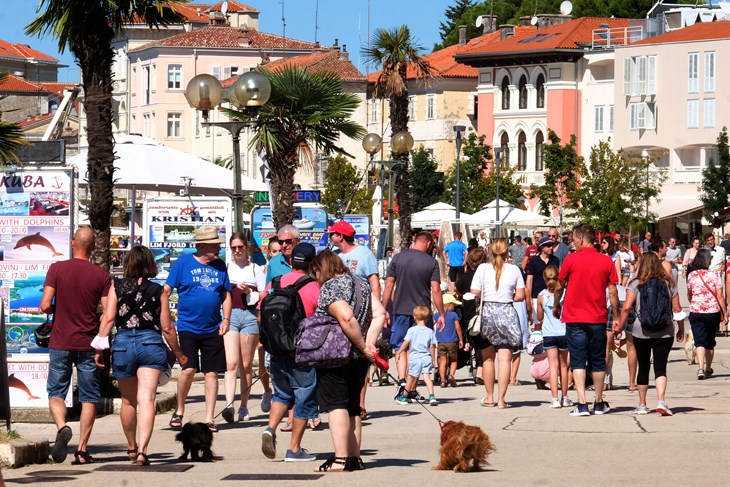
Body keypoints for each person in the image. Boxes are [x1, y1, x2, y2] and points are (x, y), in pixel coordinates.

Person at [94, 246, 187, 466]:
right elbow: (167, 328)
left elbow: (107, 319)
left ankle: (131, 447)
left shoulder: (116, 287)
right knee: (146, 400)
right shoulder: (159, 291)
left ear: (128, 264)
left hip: (124, 343)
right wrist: (179, 354)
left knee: (128, 401)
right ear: (150, 265)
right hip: (150, 343)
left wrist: (99, 347)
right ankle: (144, 450)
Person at [40, 227, 112, 464]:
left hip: (60, 341)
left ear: (73, 243)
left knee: (56, 392)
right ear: (93, 248)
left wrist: (56, 310)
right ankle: (81, 450)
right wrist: (101, 341)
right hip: (87, 343)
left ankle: (62, 427)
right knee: (90, 397)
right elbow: (107, 311)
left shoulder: (57, 269)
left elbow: (44, 305)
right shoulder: (101, 276)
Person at [311, 250, 386, 472]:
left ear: (320, 269)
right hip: (358, 358)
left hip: (335, 355)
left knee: (335, 405)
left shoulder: (331, 286)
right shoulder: (361, 283)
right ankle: (355, 458)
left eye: (315, 273)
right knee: (353, 406)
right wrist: (369, 343)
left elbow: (346, 317)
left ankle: (341, 459)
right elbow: (380, 312)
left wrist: (363, 345)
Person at [165, 226, 231, 432]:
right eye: (215, 245)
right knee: (189, 369)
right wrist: (162, 314)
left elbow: (226, 295)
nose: (219, 248)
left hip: (213, 327)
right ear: (202, 246)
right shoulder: (183, 263)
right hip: (187, 327)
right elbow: (166, 290)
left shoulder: (220, 266)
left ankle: (209, 418)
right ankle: (180, 410)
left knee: (211, 373)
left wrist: (226, 318)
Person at [261, 243, 320, 462]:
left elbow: (261, 313)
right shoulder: (315, 287)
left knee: (282, 394)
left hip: (277, 350)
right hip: (302, 353)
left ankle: (270, 428)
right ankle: (294, 449)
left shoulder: (275, 284)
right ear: (312, 263)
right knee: (303, 396)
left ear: (292, 261)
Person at [553, 224, 619, 417]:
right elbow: (613, 290)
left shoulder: (571, 260)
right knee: (598, 360)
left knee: (578, 360)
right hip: (597, 317)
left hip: (575, 317)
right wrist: (615, 314)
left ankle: (582, 404)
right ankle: (598, 402)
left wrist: (556, 305)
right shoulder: (605, 260)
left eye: (574, 238)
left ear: (581, 238)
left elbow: (559, 285)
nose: (572, 242)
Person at [616, 253, 685, 416]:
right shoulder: (669, 283)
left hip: (641, 331)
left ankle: (642, 404)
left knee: (644, 366)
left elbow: (626, 307)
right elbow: (677, 309)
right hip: (665, 331)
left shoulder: (635, 283)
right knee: (661, 367)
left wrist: (620, 326)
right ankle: (661, 401)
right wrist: (681, 328)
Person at [327, 220, 380, 421]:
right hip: (342, 315)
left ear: (341, 236)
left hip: (362, 314)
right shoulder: (336, 256)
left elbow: (374, 283)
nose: (331, 237)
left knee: (362, 357)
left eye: (333, 234)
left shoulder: (364, 254)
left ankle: (360, 403)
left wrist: (377, 310)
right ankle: (347, 402)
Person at [382, 231, 445, 399]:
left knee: (400, 347)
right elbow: (436, 290)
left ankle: (403, 380)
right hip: (422, 313)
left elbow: (389, 285)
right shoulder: (431, 262)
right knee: (419, 349)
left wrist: (384, 309)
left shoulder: (398, 258)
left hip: (400, 309)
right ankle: (411, 388)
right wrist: (442, 314)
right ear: (428, 244)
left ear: (415, 241)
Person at [470, 238, 526, 409]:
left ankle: (489, 397)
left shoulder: (483, 268)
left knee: (487, 358)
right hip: (507, 312)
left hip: (488, 312)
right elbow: (521, 296)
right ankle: (502, 399)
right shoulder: (514, 269)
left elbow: (475, 291)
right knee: (505, 358)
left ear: (490, 251)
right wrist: (509, 296)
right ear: (507, 251)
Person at [222, 232, 266, 423]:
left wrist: (249, 291)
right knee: (231, 363)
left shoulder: (255, 269)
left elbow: (263, 294)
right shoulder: (227, 267)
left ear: (246, 247)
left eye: (240, 247)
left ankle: (244, 406)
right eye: (234, 248)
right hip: (230, 316)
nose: (237, 251)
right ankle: (229, 405)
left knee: (246, 365)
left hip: (249, 316)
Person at [686, 249, 728, 379]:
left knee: (699, 341)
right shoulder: (714, 275)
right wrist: (725, 313)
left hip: (696, 311)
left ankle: (700, 368)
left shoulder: (691, 275)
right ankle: (708, 367)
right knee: (710, 341)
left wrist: (695, 301)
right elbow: (720, 296)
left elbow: (689, 294)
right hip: (712, 312)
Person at [536, 265, 572, 408]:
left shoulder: (541, 296)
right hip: (563, 332)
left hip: (549, 333)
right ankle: (565, 396)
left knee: (553, 366)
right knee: (564, 366)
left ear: (544, 279)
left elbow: (539, 317)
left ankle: (554, 398)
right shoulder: (564, 294)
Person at [454, 248, 489, 384]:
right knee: (483, 343)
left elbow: (457, 290)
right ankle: (480, 369)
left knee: (473, 340)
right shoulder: (486, 276)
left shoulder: (465, 277)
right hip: (483, 311)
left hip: (468, 313)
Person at [396, 306, 438, 405]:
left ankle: (404, 397)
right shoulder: (430, 331)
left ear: (414, 317)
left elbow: (406, 342)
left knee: (410, 377)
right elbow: (432, 347)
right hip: (426, 357)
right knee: (427, 377)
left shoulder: (412, 330)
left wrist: (400, 351)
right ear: (427, 318)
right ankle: (432, 396)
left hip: (415, 357)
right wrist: (433, 359)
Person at [525, 236, 560, 324]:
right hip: (536, 296)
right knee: (538, 323)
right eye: (548, 246)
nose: (551, 247)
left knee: (553, 321)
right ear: (541, 247)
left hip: (552, 295)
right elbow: (529, 281)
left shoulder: (555, 260)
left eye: (551, 245)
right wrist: (529, 299)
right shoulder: (533, 261)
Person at [433, 294, 463, 388]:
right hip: (452, 341)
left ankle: (442, 380)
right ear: (449, 305)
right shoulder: (453, 315)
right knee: (453, 360)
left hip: (441, 341)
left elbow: (432, 325)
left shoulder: (437, 315)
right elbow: (458, 327)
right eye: (453, 305)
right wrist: (461, 339)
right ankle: (451, 376)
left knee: (442, 361)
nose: (454, 307)